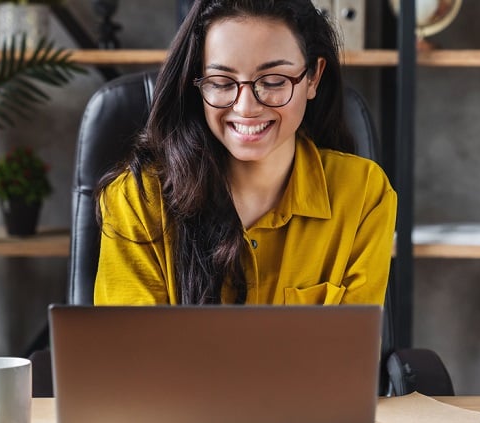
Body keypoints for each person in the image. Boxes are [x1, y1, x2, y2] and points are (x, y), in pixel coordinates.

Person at [94, 0, 397, 305]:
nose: (245, 108)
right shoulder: (138, 199)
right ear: (196, 83)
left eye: (274, 81)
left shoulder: (363, 194)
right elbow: (130, 350)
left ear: (313, 78)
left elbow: (350, 348)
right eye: (222, 82)